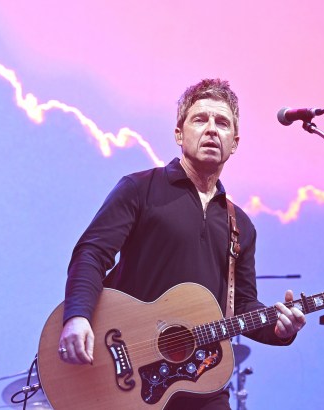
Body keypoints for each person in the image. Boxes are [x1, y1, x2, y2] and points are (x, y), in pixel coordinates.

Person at [56, 78, 307, 409]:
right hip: (128, 375)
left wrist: (281, 329)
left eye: (222, 123)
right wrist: (77, 315)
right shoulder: (140, 188)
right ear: (179, 133)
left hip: (200, 380)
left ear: (234, 143)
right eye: (200, 119)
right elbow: (92, 253)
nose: (212, 130)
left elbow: (242, 306)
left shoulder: (240, 225)